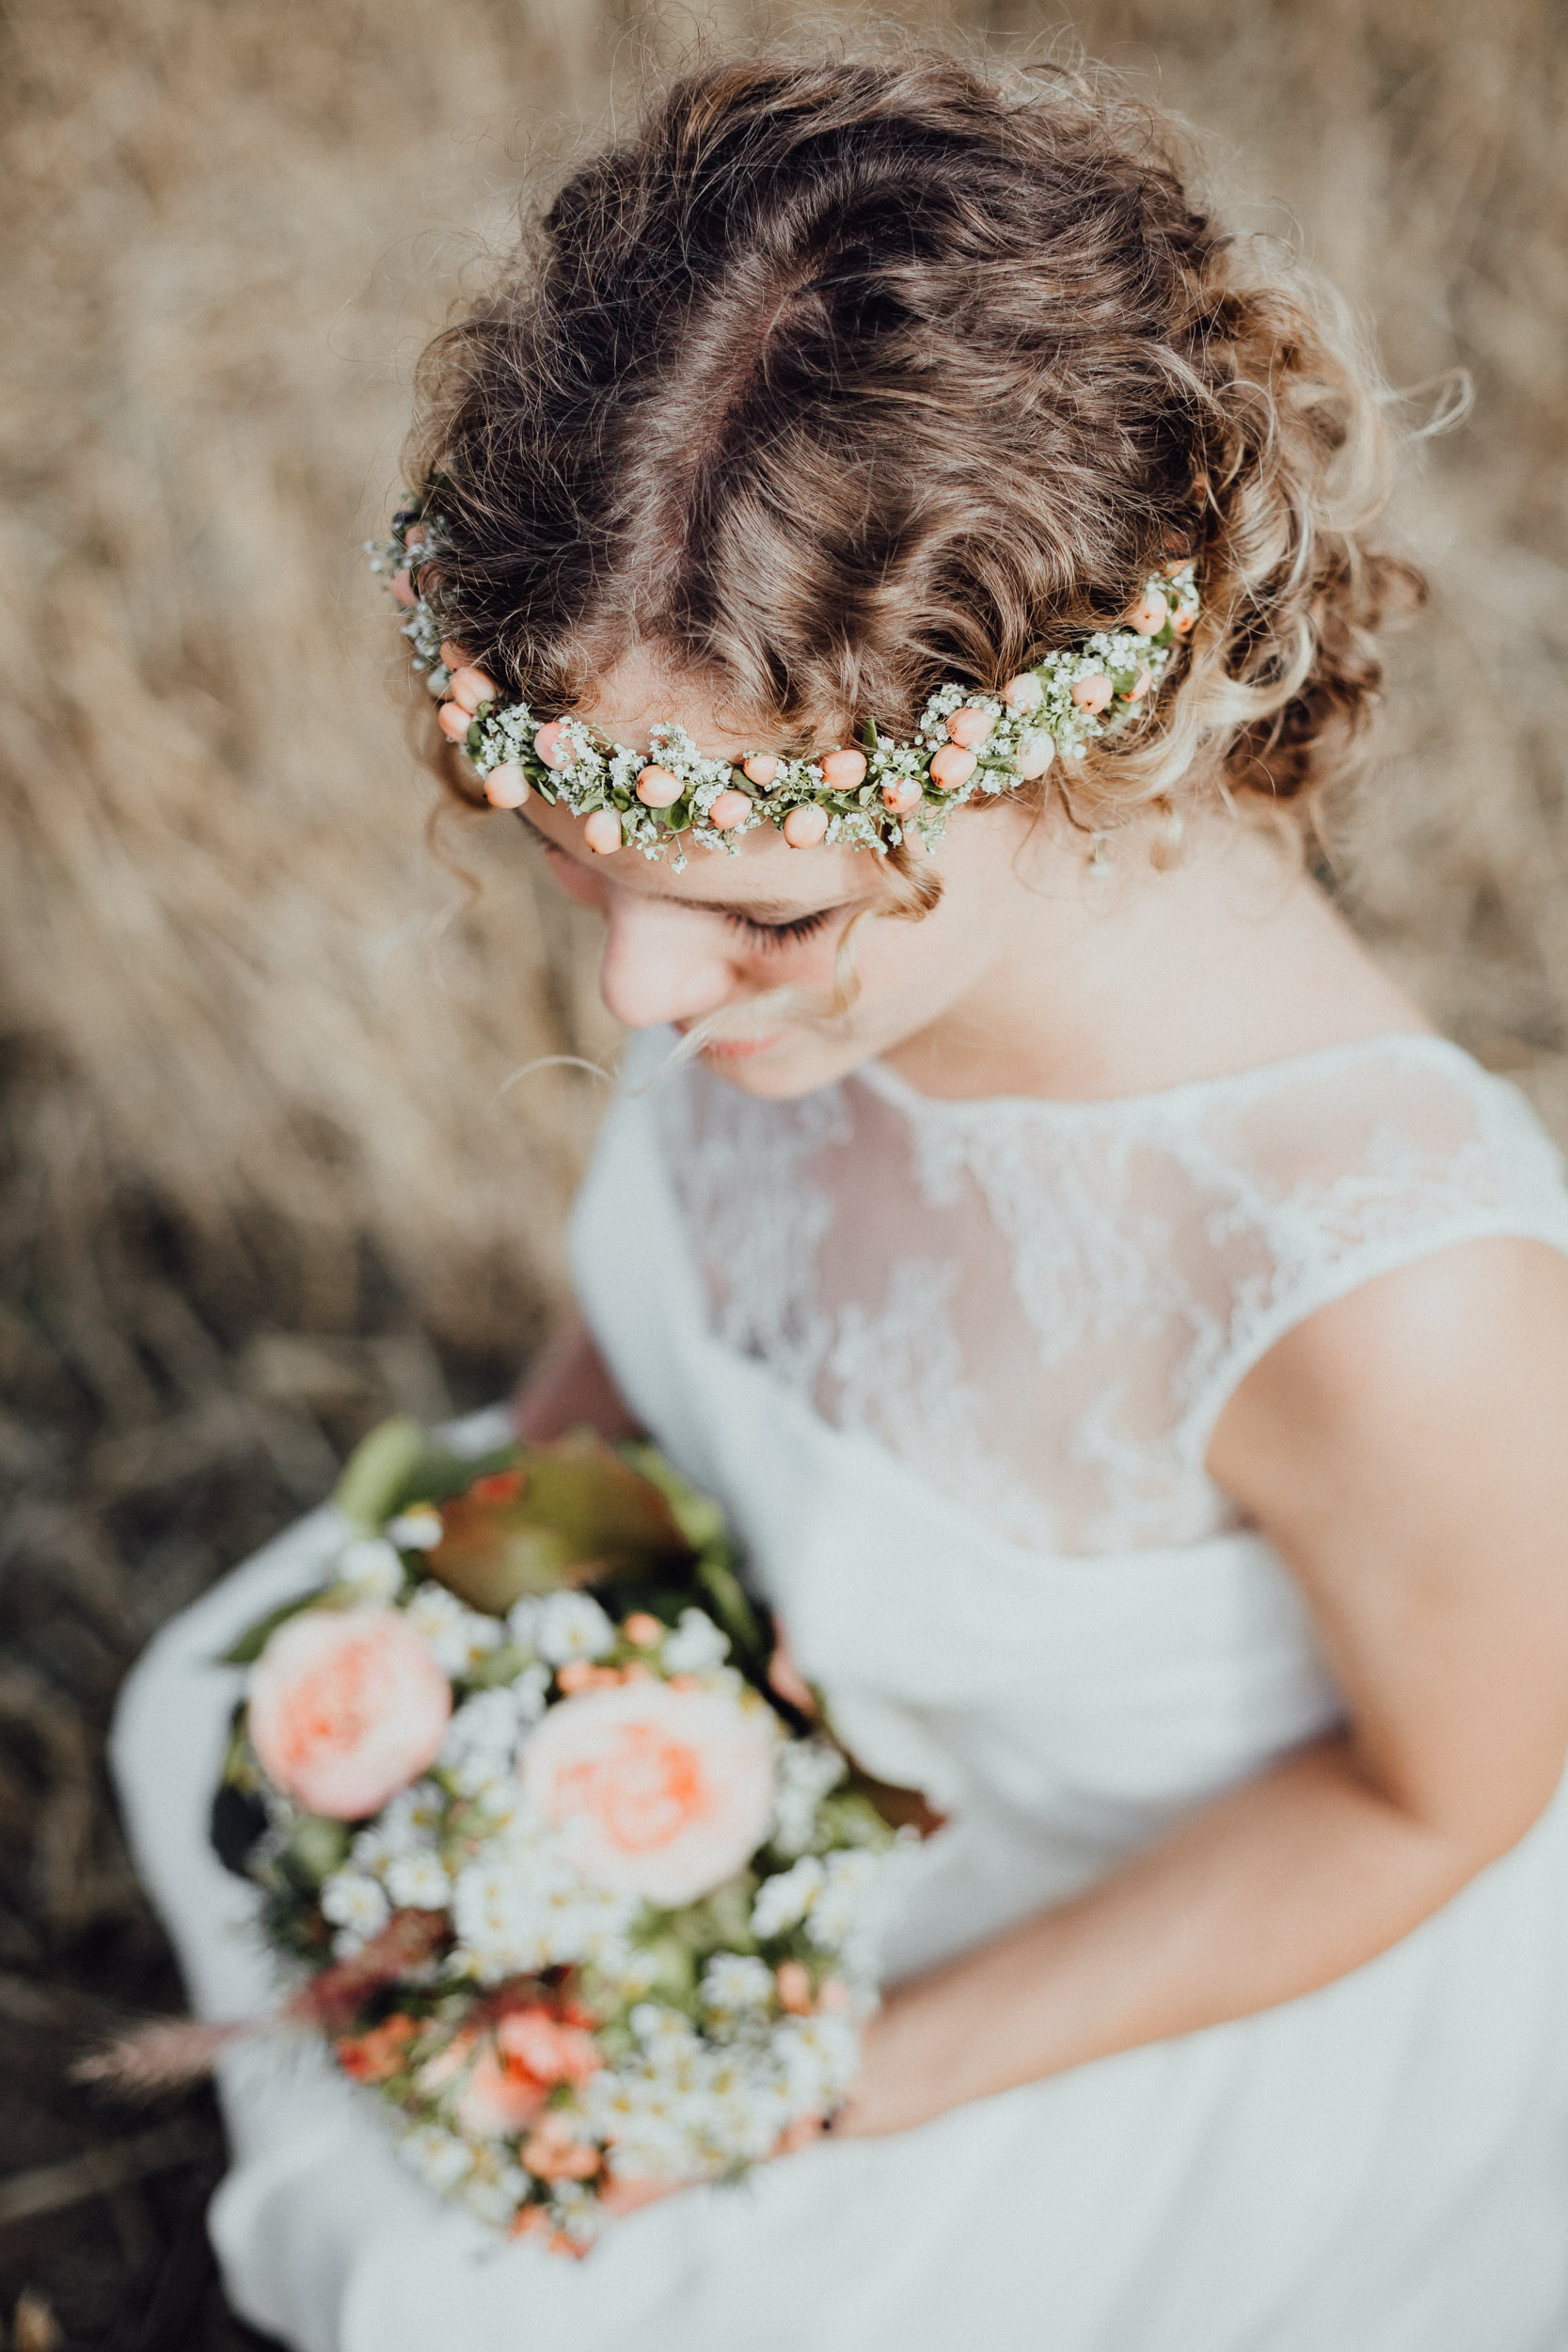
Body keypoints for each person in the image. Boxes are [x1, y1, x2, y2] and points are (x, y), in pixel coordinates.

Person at [112, 50, 1568, 2352]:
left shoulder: (1386, 1284)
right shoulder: (768, 929)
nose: (638, 991)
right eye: (577, 864)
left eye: (761, 914)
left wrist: (810, 2081)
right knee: (214, 1716)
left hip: (1119, 1946)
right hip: (752, 1743)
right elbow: (642, 1343)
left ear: (1084, 747)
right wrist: (488, 1691)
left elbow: (1439, 1799)